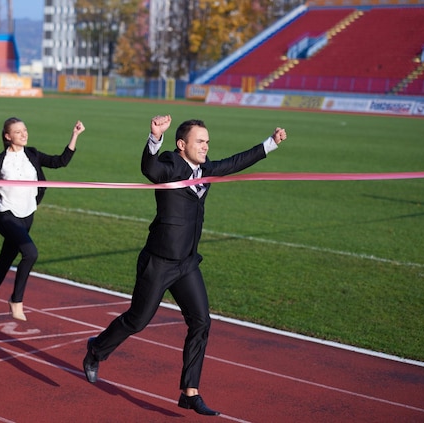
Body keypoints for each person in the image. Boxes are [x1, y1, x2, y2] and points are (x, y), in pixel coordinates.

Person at [83, 115, 287, 416]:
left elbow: (234, 163)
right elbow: (150, 169)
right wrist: (154, 137)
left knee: (202, 321)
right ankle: (97, 350)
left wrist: (270, 144)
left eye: (207, 141)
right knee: (137, 321)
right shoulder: (169, 164)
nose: (206, 146)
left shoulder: (205, 170)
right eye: (200, 141)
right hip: (159, 262)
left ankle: (190, 392)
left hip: (187, 263)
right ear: (182, 144)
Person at [0, 117, 85, 326]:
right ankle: (16, 300)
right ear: (8, 136)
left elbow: (59, 161)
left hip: (27, 215)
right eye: (18, 132)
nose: (24, 134)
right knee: (30, 253)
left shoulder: (32, 154)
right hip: (6, 215)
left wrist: (75, 135)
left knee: (5, 261)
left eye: (25, 130)